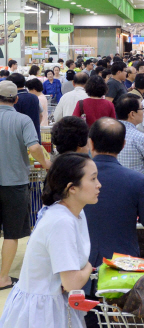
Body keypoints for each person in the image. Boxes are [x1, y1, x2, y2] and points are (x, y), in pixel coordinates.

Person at [0, 153, 95, 328]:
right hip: (42, 312)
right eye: (93, 179)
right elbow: (71, 282)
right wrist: (88, 267)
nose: (99, 185)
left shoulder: (75, 212)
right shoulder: (61, 221)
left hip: (53, 305)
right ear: (71, 188)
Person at [82, 118, 144, 328]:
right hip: (122, 268)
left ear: (90, 143)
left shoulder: (74, 179)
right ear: (123, 145)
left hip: (81, 267)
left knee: (89, 319)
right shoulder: (135, 180)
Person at [0, 80, 51, 292]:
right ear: (16, 99)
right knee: (12, 233)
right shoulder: (22, 120)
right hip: (15, 183)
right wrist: (48, 165)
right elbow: (34, 146)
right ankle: (3, 278)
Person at [7, 73, 42, 141]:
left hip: (20, 138)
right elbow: (41, 115)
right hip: (35, 136)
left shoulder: (14, 99)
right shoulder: (34, 97)